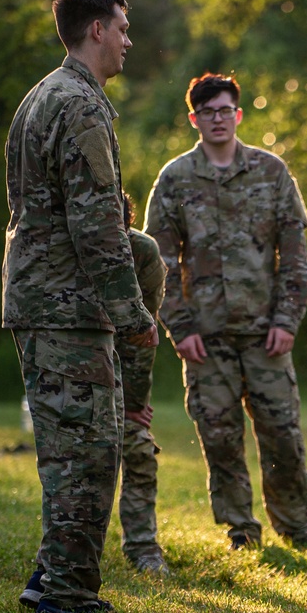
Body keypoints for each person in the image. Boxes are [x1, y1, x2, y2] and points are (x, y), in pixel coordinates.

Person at [4, 0, 158, 613]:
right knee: (88, 456)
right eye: (122, 29)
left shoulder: (44, 94)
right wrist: (133, 317)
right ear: (96, 29)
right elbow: (95, 225)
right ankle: (65, 594)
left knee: (69, 451)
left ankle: (51, 576)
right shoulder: (81, 105)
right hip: (67, 306)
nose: (127, 41)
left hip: (45, 300)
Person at [145, 73, 307, 552]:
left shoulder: (271, 171)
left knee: (282, 437)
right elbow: (158, 262)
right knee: (220, 438)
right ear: (193, 119)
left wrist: (287, 320)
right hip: (206, 337)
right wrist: (178, 326)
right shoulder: (175, 179)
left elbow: (296, 257)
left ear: (238, 115)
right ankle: (241, 528)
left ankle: (298, 528)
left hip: (266, 332)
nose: (217, 119)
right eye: (207, 112)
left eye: (225, 110)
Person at [115, 193, 168, 574]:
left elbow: (143, 334)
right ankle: (64, 553)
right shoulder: (60, 246)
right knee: (79, 461)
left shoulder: (141, 252)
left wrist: (133, 404)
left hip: (122, 365)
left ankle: (142, 547)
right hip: (71, 369)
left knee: (138, 449)